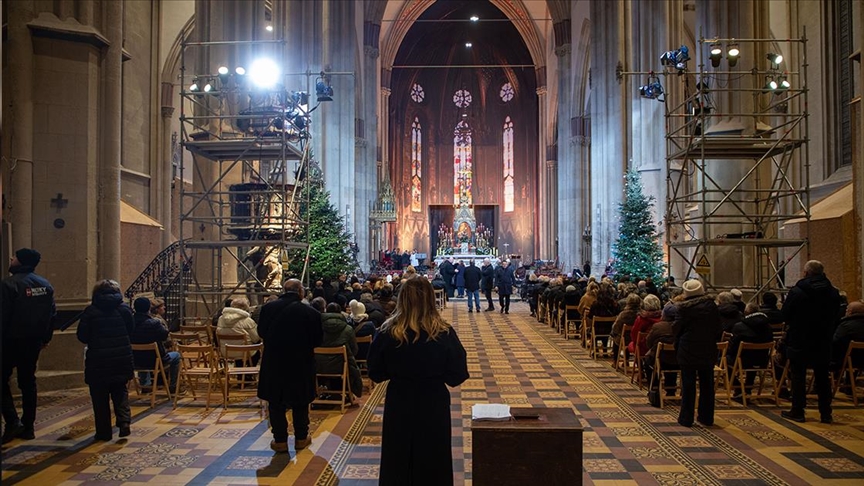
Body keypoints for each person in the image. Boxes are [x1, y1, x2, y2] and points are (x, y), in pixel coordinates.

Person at [367, 276, 469, 486]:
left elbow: (375, 372)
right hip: (433, 400)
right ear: (431, 300)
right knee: (434, 455)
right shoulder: (444, 332)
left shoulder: (387, 332)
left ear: (402, 299)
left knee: (398, 453)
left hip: (400, 398)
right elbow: (458, 374)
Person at [257, 279, 324, 454]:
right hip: (300, 362)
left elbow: (261, 333)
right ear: (300, 291)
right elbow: (318, 340)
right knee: (300, 400)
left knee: (275, 400)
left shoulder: (268, 309)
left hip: (274, 361)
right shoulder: (311, 313)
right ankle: (301, 438)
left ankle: (279, 440)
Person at [1, 248, 56, 443]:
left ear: (21, 261)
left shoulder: (9, 285)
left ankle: (12, 421)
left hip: (9, 342)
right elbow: (52, 315)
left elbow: (3, 316)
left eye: (14, 257)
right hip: (33, 342)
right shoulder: (45, 285)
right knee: (28, 382)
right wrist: (45, 339)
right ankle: (29, 426)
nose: (11, 259)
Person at [781, 260, 842, 423]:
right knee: (823, 377)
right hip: (823, 339)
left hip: (800, 339)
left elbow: (785, 314)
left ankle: (798, 410)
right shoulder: (833, 292)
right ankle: (826, 413)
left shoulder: (798, 291)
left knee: (798, 376)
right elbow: (837, 314)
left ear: (806, 273)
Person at [76, 280, 134, 441]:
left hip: (98, 360)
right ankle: (124, 422)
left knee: (99, 396)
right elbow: (130, 330)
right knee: (120, 391)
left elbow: (82, 336)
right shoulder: (124, 309)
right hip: (121, 357)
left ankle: (103, 432)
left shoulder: (90, 311)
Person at [673, 279, 721, 427]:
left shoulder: (684, 308)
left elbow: (676, 329)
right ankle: (706, 417)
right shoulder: (712, 306)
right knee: (707, 384)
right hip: (707, 348)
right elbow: (718, 328)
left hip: (688, 350)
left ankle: (686, 418)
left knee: (688, 385)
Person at [130, 297, 183, 393]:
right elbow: (164, 336)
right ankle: (173, 386)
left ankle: (145, 385)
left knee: (141, 353)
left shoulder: (129, 323)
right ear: (148, 309)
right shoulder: (154, 324)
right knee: (177, 356)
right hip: (156, 360)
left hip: (134, 360)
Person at [726, 302, 773, 396]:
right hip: (763, 360)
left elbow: (733, 348)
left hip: (742, 360)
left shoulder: (739, 326)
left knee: (722, 360)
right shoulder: (768, 327)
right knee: (753, 358)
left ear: (746, 312)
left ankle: (739, 387)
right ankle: (748, 388)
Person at [318, 302, 363, 400]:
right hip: (341, 366)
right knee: (348, 362)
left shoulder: (317, 328)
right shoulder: (348, 329)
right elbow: (354, 350)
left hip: (319, 367)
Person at [831, 301, 864, 369]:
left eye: (847, 309)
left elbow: (835, 341)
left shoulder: (845, 326)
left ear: (850, 312)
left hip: (847, 361)